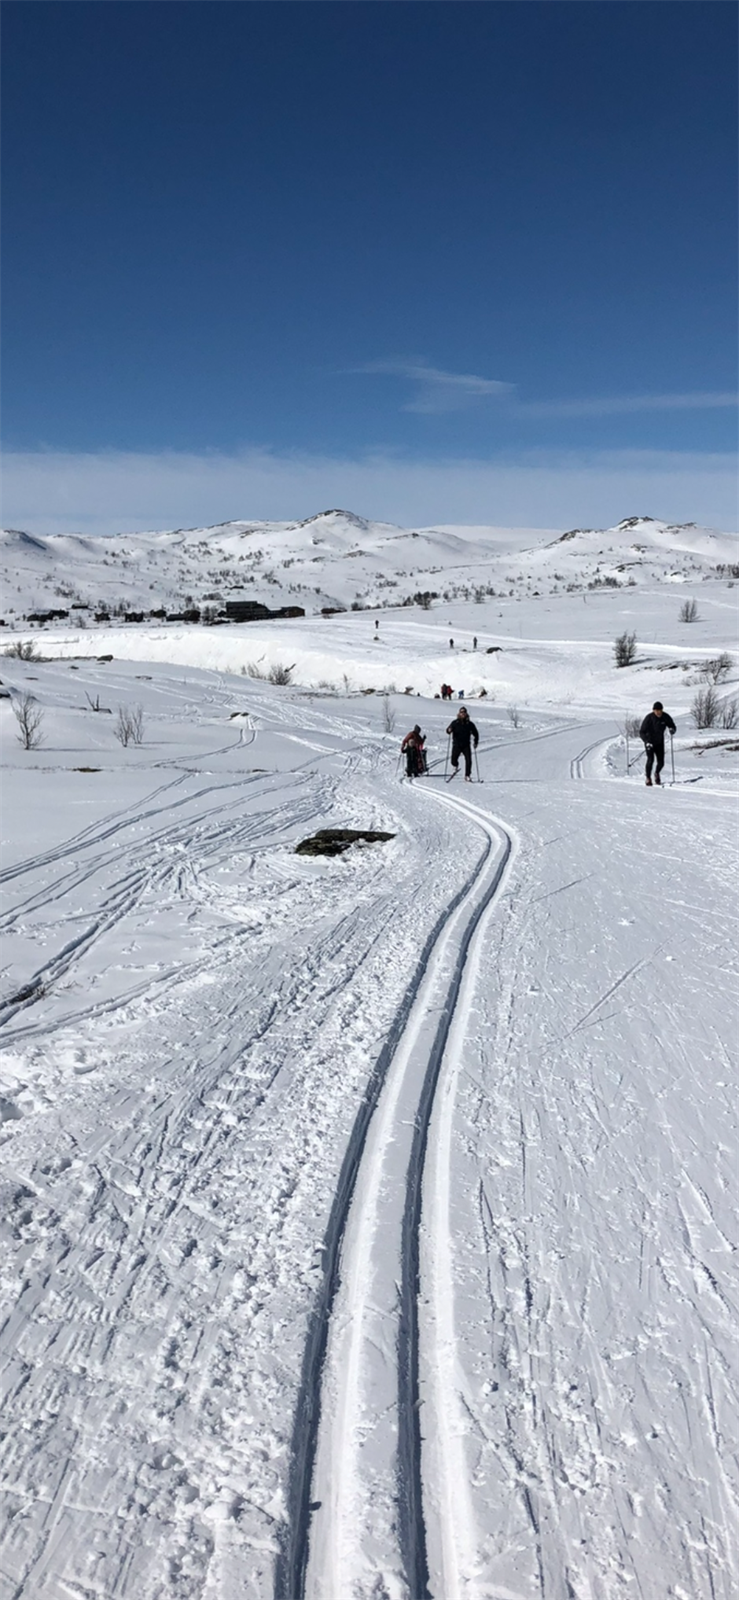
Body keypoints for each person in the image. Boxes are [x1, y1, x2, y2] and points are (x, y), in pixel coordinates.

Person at [639, 701, 676, 786]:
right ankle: (648, 778)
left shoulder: (665, 717)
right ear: (653, 711)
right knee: (650, 760)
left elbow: (672, 725)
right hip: (649, 742)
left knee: (661, 762)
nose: (658, 712)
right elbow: (642, 732)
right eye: (657, 711)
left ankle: (657, 773)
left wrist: (672, 729)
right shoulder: (649, 718)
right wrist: (646, 741)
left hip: (659, 742)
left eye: (660, 710)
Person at [446, 705, 479, 781]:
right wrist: (449, 730)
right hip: (456, 744)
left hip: (466, 745)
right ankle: (455, 765)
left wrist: (476, 742)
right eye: (461, 712)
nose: (463, 714)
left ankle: (467, 775)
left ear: (466, 714)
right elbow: (448, 730)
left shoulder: (469, 724)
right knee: (453, 760)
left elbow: (476, 733)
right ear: (459, 713)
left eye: (464, 712)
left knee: (468, 760)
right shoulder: (455, 723)